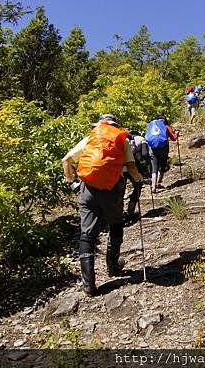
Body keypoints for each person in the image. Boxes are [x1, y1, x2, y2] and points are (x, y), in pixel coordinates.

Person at [62, 113, 141, 296]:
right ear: (115, 125)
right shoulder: (122, 139)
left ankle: (88, 286)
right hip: (112, 190)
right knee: (116, 224)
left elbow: (66, 160)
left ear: (99, 125)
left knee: (87, 234)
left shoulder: (91, 138)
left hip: (87, 189)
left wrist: (72, 183)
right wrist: (138, 179)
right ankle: (113, 267)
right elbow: (131, 166)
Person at [145, 116, 178, 193]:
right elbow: (173, 138)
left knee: (154, 167)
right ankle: (159, 183)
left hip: (152, 149)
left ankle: (153, 187)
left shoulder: (151, 126)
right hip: (164, 149)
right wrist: (176, 134)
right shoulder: (166, 126)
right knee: (162, 165)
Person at [123, 132, 150, 220]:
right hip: (133, 167)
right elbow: (145, 154)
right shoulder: (140, 139)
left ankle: (119, 213)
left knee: (120, 191)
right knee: (138, 186)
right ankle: (131, 210)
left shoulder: (119, 140)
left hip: (120, 169)